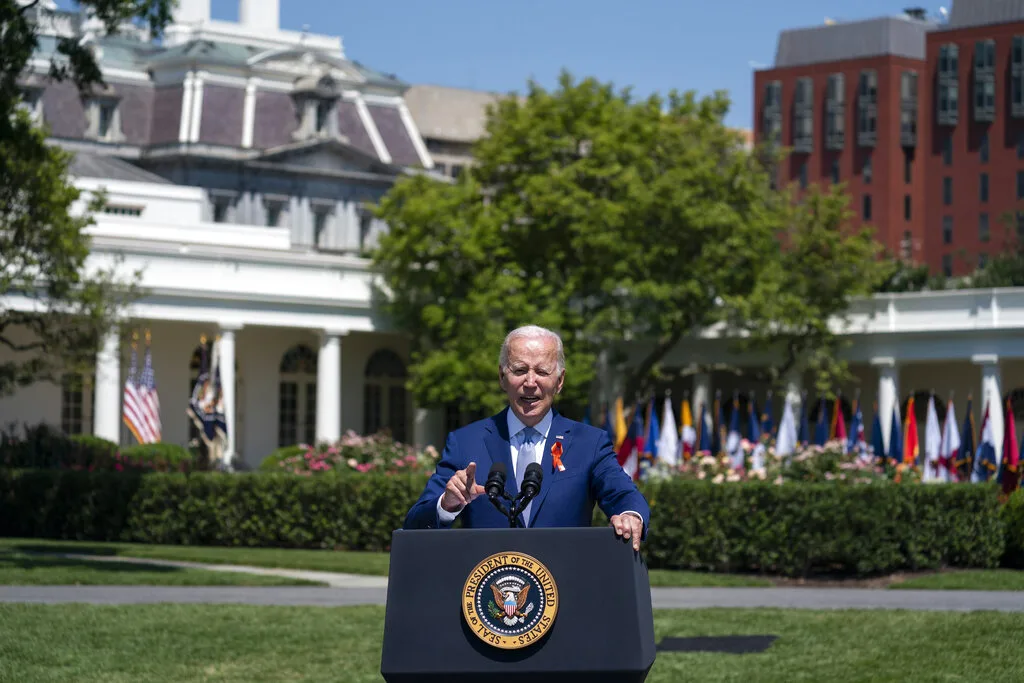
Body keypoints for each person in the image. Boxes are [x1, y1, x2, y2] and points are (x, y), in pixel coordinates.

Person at [403, 325, 650, 550]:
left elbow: (624, 495)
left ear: (560, 381)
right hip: (486, 592)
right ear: (502, 377)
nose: (530, 382)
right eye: (520, 370)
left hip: (564, 590)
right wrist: (446, 505)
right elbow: (415, 525)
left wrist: (630, 516)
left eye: (542, 371)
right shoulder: (466, 442)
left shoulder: (589, 443)